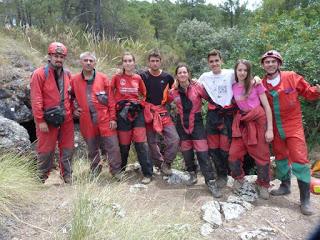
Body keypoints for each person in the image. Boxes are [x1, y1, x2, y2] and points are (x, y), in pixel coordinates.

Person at [261, 50, 320, 215]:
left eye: (273, 61)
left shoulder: (291, 77)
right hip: (275, 128)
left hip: (293, 126)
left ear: (279, 63)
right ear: (263, 65)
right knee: (280, 158)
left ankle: (305, 201)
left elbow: (308, 92)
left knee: (300, 160)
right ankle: (285, 186)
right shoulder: (262, 85)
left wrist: (317, 91)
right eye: (267, 62)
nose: (270, 64)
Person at [169, 63, 221, 198]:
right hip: (182, 125)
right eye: (179, 73)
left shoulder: (197, 87)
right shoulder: (172, 91)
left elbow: (212, 98)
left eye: (184, 72)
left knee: (203, 153)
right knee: (186, 152)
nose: (182, 75)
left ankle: (210, 181)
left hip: (197, 123)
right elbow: (163, 102)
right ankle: (192, 174)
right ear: (176, 75)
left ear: (189, 74)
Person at [70, 52, 122, 178]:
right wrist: (73, 109)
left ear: (95, 63)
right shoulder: (74, 80)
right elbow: (68, 97)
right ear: (81, 62)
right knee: (92, 147)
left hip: (104, 117)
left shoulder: (103, 78)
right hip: (86, 119)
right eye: (85, 60)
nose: (88, 63)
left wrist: (113, 118)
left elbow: (111, 99)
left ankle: (116, 172)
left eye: (91, 61)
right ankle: (95, 170)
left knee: (113, 146)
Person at [228, 59, 274, 199]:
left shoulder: (256, 85)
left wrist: (269, 129)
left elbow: (266, 107)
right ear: (235, 71)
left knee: (262, 154)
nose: (242, 73)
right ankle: (239, 178)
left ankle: (263, 184)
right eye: (239, 70)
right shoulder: (233, 86)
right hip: (242, 122)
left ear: (249, 72)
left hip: (258, 121)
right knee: (233, 154)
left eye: (245, 70)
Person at [30, 42, 74, 184]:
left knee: (67, 147)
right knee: (46, 149)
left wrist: (76, 110)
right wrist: (40, 120)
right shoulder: (39, 74)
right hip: (47, 119)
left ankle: (67, 175)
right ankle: (40, 178)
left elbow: (72, 95)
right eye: (56, 56)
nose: (59, 59)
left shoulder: (67, 75)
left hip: (66, 117)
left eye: (61, 56)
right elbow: (36, 98)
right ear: (49, 56)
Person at [198, 49, 237, 194]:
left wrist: (256, 78)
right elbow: (192, 85)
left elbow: (245, 77)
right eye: (211, 61)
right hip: (212, 114)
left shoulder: (230, 73)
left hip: (227, 114)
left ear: (221, 61)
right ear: (208, 63)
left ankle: (228, 174)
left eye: (216, 60)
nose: (214, 64)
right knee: (213, 148)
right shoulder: (204, 76)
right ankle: (220, 175)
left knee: (226, 148)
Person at [111, 52, 153, 184]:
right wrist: (113, 115)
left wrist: (138, 103)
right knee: (124, 145)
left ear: (134, 63)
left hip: (137, 114)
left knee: (141, 143)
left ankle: (147, 173)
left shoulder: (138, 78)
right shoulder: (117, 78)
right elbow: (111, 96)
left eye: (130, 61)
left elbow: (144, 94)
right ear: (122, 63)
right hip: (122, 114)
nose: (128, 63)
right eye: (125, 61)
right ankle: (121, 171)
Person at [139, 50, 179, 175]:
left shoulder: (167, 77)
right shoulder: (142, 76)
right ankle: (159, 163)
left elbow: (176, 89)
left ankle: (167, 163)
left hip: (163, 111)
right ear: (148, 62)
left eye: (157, 61)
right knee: (151, 141)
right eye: (152, 61)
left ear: (160, 62)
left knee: (174, 138)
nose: (155, 63)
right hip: (148, 112)